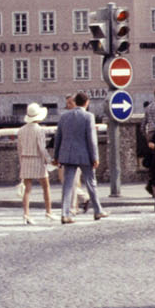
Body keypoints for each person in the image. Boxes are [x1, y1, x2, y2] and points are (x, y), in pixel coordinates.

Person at [55, 92, 104, 223]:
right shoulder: (88, 116)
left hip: (68, 155)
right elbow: (91, 139)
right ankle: (98, 211)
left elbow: (58, 137)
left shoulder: (64, 116)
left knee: (67, 185)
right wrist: (95, 157)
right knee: (91, 183)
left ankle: (65, 214)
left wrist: (56, 156)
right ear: (87, 102)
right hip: (85, 156)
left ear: (76, 102)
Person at [17, 102, 55, 225]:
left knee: (27, 190)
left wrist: (21, 162)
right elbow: (42, 148)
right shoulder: (39, 130)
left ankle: (26, 214)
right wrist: (50, 160)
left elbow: (19, 148)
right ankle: (48, 211)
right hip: (37, 160)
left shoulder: (21, 130)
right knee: (46, 186)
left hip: (25, 159)